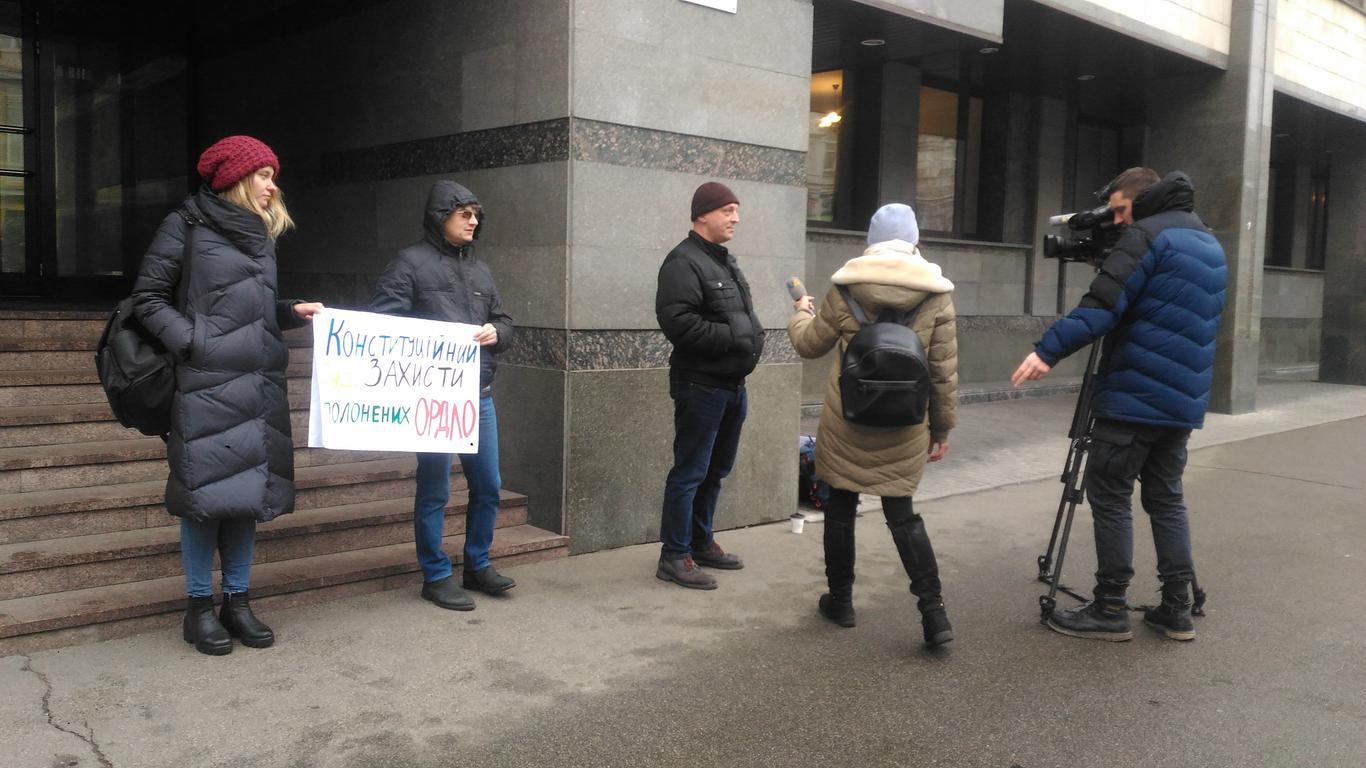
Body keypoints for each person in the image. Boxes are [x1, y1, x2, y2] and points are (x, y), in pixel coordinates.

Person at [1012, 168, 1227, 642]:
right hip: (1181, 401)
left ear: (1144, 199)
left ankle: (1110, 606)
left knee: (1109, 494)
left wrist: (1046, 351)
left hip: (1133, 396)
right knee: (1166, 499)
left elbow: (1103, 305)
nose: (1118, 221)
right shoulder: (1208, 242)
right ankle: (1177, 608)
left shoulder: (1146, 237)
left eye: (1122, 210)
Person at [131, 135, 324, 655]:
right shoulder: (185, 225)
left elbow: (247, 310)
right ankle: (198, 609)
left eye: (272, 176)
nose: (272, 185)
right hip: (206, 384)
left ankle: (237, 602)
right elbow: (147, 299)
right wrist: (196, 343)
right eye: (263, 175)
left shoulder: (261, 234)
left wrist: (289, 312)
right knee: (205, 500)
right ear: (236, 178)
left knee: (246, 495)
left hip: (257, 382)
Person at [788, 203, 958, 648]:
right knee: (901, 514)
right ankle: (934, 615)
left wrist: (801, 312)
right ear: (915, 241)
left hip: (848, 422)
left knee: (840, 508)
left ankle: (841, 602)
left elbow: (809, 344)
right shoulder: (937, 295)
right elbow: (942, 373)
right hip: (905, 426)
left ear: (871, 241)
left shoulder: (846, 288)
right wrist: (941, 430)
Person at [372, 181, 515, 611]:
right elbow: (383, 323)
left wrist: (497, 332)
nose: (473, 221)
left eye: (476, 215)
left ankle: (477, 564)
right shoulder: (409, 264)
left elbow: (504, 320)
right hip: (433, 397)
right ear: (441, 217)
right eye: (464, 214)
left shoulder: (480, 269)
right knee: (435, 489)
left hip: (478, 396)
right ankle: (435, 575)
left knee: (488, 485)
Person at [653, 182, 764, 589]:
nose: (736, 218)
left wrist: (749, 337)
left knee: (716, 470)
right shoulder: (683, 262)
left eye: (736, 210)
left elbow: (742, 315)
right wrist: (736, 336)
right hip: (700, 386)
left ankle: (700, 543)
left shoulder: (724, 261)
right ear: (702, 214)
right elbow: (678, 323)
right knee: (690, 472)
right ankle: (674, 555)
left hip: (732, 385)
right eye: (727, 210)